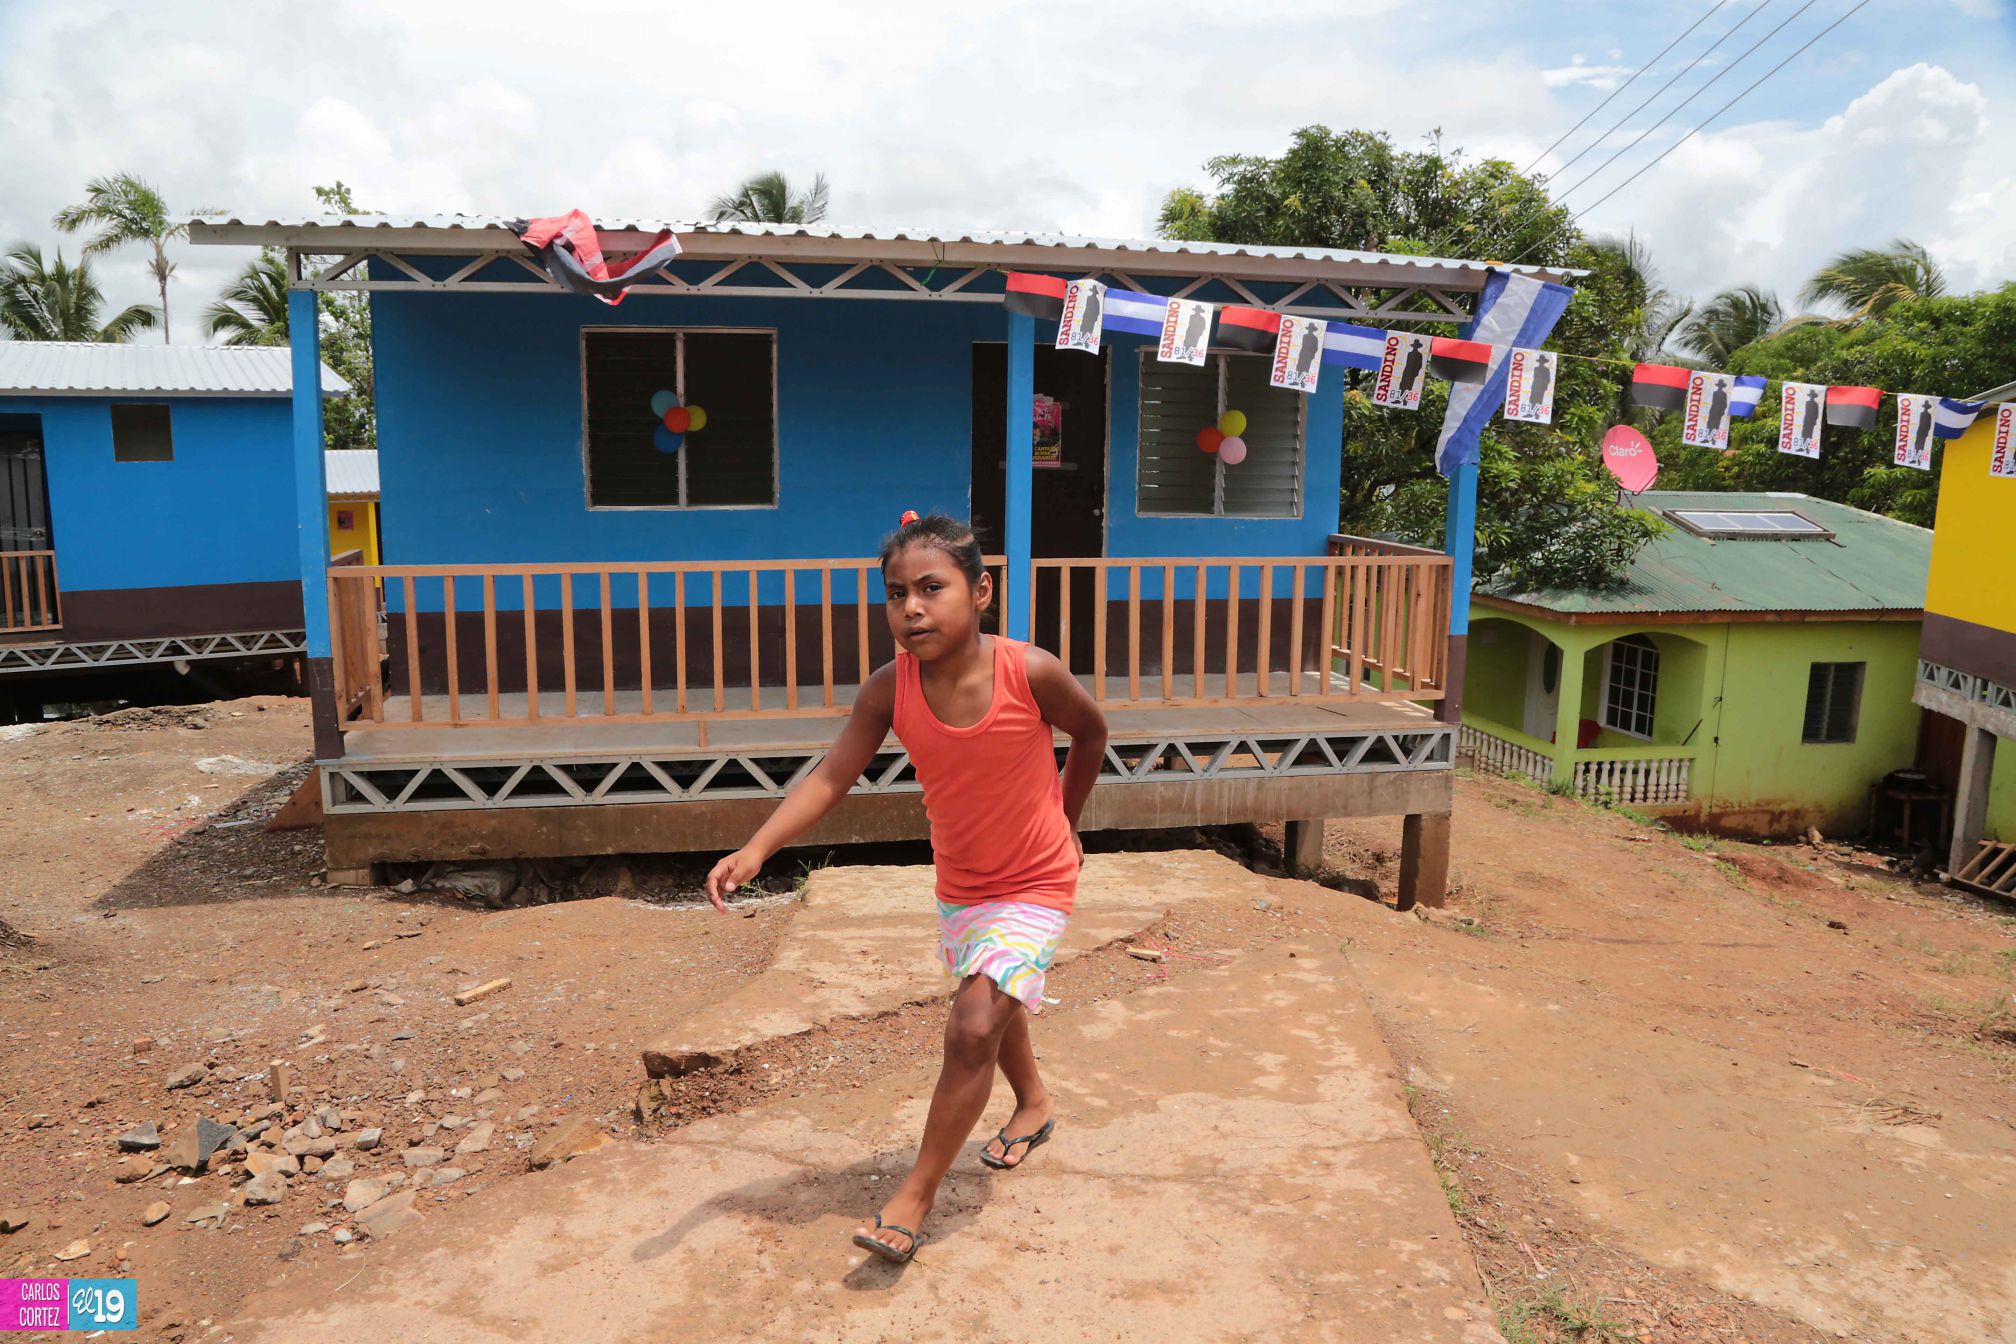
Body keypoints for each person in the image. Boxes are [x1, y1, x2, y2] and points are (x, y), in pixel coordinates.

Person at [704, 512, 1110, 1265]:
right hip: (962, 885)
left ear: (981, 591)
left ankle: (916, 1192)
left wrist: (1065, 817)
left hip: (1037, 879)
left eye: (931, 588)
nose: (912, 608)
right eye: (896, 595)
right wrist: (757, 846)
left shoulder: (1031, 671)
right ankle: (1035, 1103)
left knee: (974, 1022)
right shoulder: (889, 690)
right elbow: (831, 776)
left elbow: (1091, 732)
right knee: (996, 998)